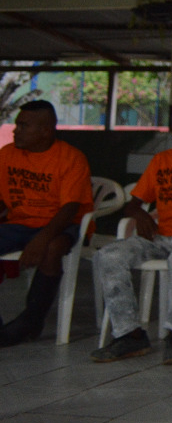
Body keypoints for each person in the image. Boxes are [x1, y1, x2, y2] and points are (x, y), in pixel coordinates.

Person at [91, 104, 172, 364]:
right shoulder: (161, 161)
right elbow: (134, 202)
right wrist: (141, 215)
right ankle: (130, 334)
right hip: (161, 236)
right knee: (109, 255)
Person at [0, 100, 93, 346]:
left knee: (51, 250)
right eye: (17, 125)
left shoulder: (71, 158)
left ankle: (31, 321)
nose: (15, 130)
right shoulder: (7, 154)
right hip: (19, 222)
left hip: (62, 224)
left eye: (23, 126)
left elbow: (70, 207)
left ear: (45, 131)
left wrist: (41, 240)